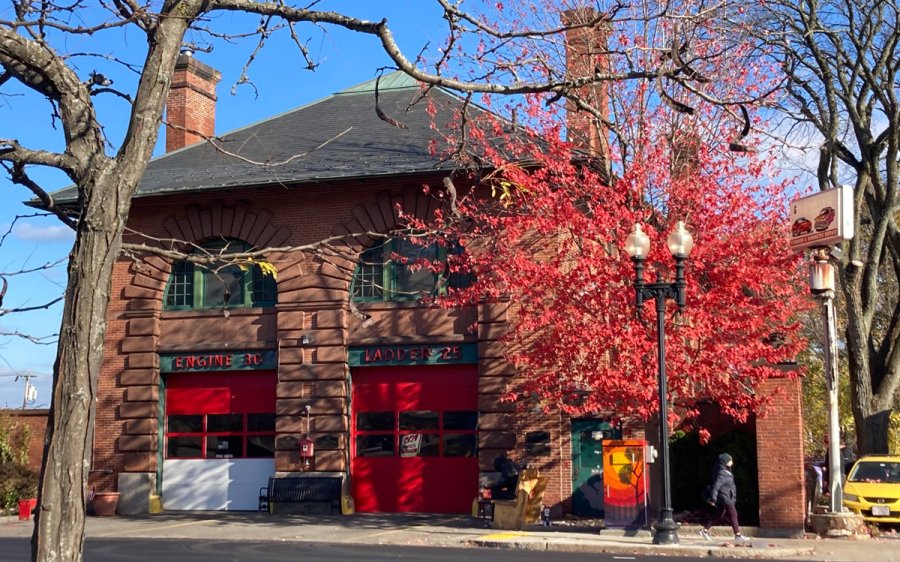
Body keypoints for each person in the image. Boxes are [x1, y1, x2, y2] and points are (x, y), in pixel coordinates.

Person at [700, 453, 750, 542]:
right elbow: (716, 486)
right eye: (730, 461)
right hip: (725, 497)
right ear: (725, 462)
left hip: (726, 496)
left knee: (719, 515)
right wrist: (713, 498)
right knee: (733, 514)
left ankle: (704, 530)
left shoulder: (725, 470)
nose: (732, 462)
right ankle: (737, 535)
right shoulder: (722, 473)